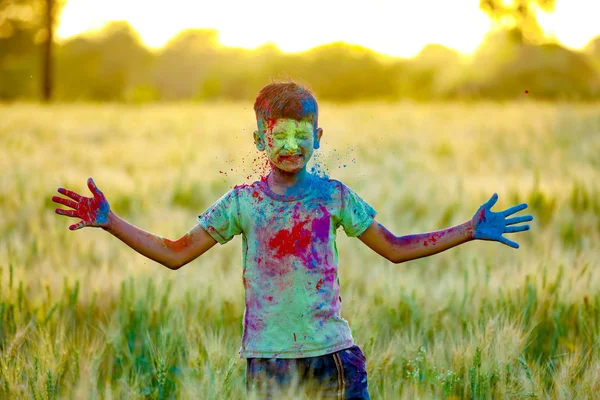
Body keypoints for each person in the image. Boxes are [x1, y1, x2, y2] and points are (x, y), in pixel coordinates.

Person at [52, 81, 533, 399]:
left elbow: (397, 248)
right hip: (267, 366)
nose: (290, 147)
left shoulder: (334, 196)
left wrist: (468, 230)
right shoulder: (243, 202)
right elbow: (176, 254)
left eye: (301, 134)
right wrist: (112, 220)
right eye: (277, 135)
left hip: (334, 361)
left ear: (318, 137)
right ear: (259, 140)